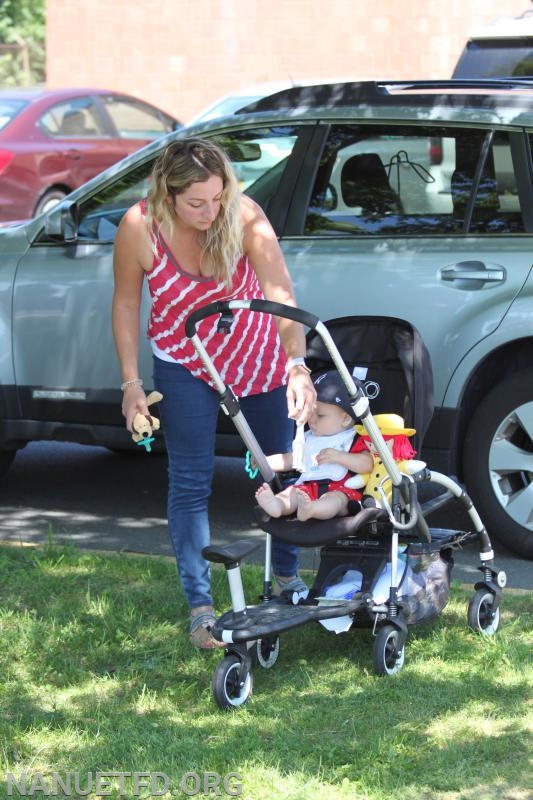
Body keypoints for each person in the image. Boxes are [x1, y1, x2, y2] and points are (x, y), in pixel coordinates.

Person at [112, 137, 316, 649]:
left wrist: (297, 365)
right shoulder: (140, 227)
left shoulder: (244, 217)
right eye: (195, 203)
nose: (210, 211)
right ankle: (201, 609)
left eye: (217, 198)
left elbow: (281, 294)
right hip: (185, 362)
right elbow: (124, 305)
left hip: (255, 355)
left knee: (282, 469)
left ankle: (286, 581)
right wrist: (131, 384)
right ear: (168, 193)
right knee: (189, 482)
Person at [256, 370, 374, 521]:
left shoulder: (353, 438)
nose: (311, 419)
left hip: (341, 489)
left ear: (345, 419)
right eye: (310, 412)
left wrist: (340, 457)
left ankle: (312, 509)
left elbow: (367, 464)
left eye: (320, 415)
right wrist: (264, 462)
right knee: (290, 493)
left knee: (335, 500)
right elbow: (292, 460)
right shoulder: (309, 438)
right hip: (307, 488)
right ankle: (277, 505)